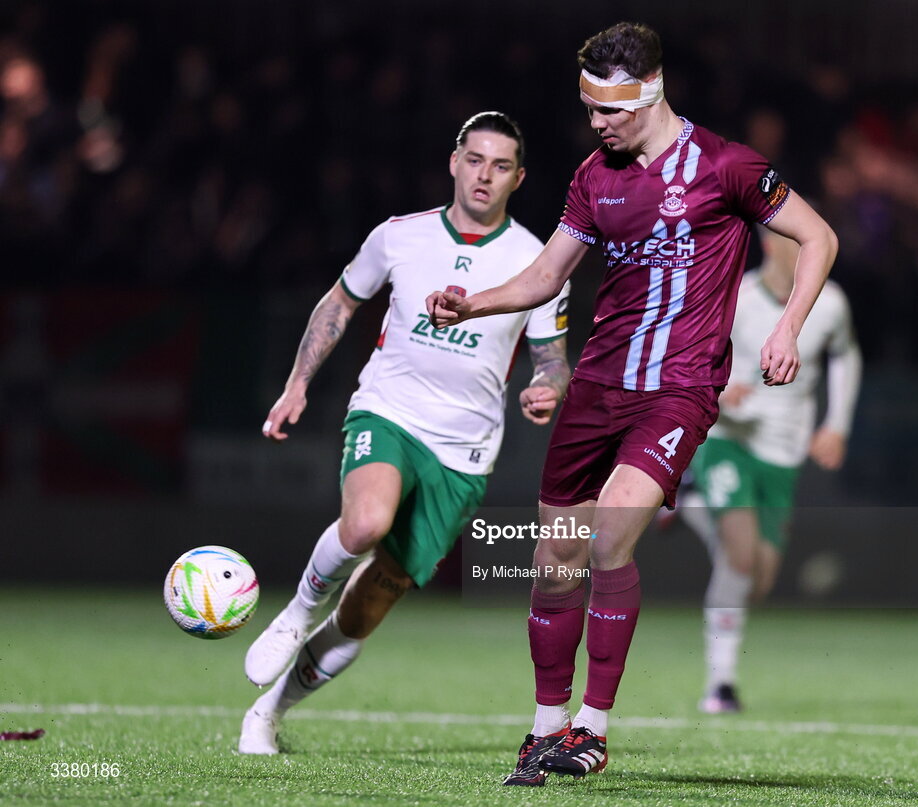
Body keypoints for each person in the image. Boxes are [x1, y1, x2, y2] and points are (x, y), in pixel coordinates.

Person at [427, 23, 838, 785]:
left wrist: (788, 328)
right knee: (554, 559)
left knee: (611, 537)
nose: (597, 121)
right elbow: (547, 274)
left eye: (609, 108)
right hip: (597, 387)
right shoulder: (594, 175)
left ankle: (593, 726)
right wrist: (472, 301)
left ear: (649, 90)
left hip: (679, 390)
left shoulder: (726, 166)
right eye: (588, 107)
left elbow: (817, 237)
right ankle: (545, 726)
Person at [238, 111, 571, 755]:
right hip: (389, 410)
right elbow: (340, 302)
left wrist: (546, 389)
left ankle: (269, 712)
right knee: (363, 523)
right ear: (454, 162)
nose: (484, 175)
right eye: (475, 159)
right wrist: (298, 382)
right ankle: (295, 613)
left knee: (367, 610)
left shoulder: (535, 261)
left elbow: (553, 359)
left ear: (518, 178)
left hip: (465, 451)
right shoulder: (399, 236)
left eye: (501, 166)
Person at [681, 226, 861, 714]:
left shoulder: (831, 304)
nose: (810, 250)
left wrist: (836, 425)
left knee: (756, 581)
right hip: (727, 442)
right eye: (799, 240)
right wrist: (718, 392)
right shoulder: (736, 295)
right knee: (738, 559)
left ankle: (688, 501)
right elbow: (691, 356)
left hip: (782, 453)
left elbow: (846, 355)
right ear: (770, 244)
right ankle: (720, 685)